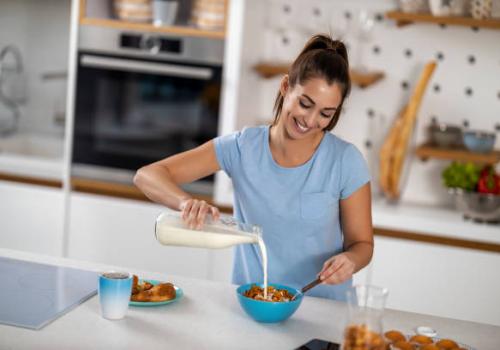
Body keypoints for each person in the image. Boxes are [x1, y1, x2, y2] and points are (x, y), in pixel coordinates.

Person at [134, 34, 373, 301]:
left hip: (322, 312)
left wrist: (351, 260)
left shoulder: (345, 161)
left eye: (326, 113)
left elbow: (362, 244)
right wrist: (185, 203)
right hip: (252, 304)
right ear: (285, 87)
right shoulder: (242, 148)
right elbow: (147, 176)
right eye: (305, 104)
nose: (310, 120)